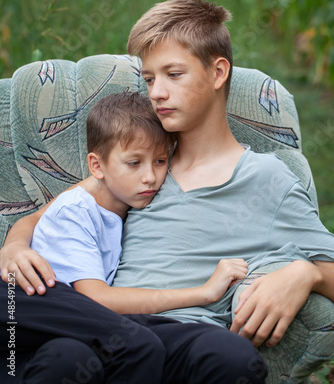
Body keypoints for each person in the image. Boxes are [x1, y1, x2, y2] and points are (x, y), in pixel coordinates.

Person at [1, 0, 334, 368]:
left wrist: (307, 274)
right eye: (149, 79)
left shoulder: (267, 180)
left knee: (233, 358)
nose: (156, 92)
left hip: (183, 337)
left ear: (218, 73)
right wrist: (14, 246)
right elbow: (50, 214)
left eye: (173, 75)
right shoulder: (142, 164)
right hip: (100, 329)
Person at [0, 91, 267, 384]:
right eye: (134, 163)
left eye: (160, 161)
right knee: (137, 344)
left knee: (225, 352)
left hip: (68, 334)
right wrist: (203, 292)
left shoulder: (124, 197)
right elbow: (95, 298)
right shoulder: (77, 208)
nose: (150, 177)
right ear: (97, 166)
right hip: (27, 301)